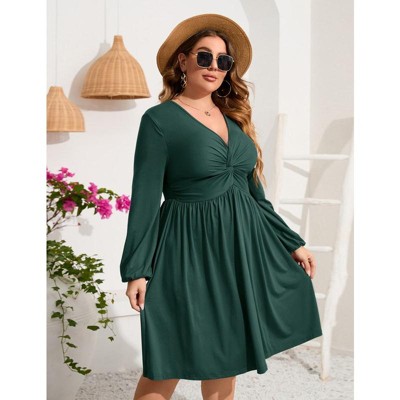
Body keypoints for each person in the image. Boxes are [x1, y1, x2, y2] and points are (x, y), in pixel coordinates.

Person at [120, 13, 323, 400]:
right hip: (187, 249)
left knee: (228, 356)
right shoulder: (159, 120)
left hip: (240, 249)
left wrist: (292, 242)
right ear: (183, 61)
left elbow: (255, 196)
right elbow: (144, 197)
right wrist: (137, 270)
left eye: (223, 60)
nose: (214, 66)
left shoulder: (234, 118)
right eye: (204, 56)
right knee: (168, 361)